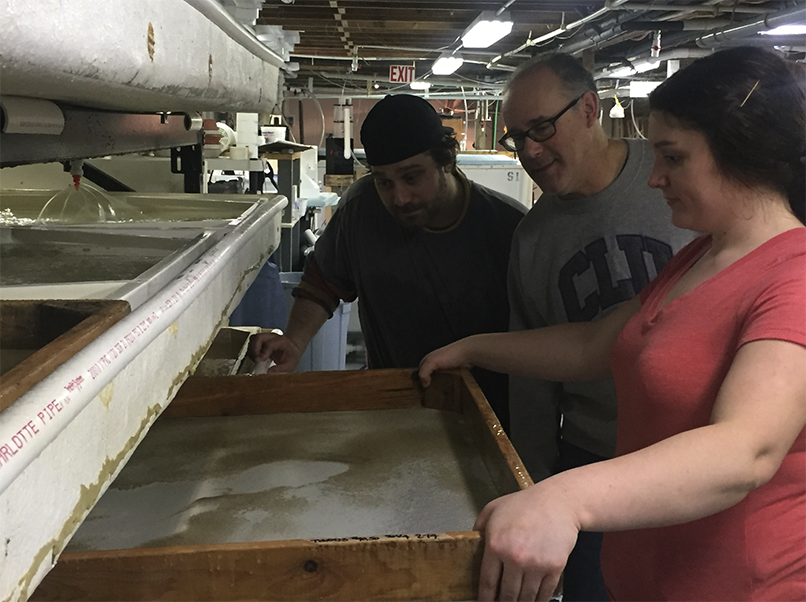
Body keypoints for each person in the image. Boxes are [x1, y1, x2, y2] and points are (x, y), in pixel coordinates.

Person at [419, 45, 806, 602]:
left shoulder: (793, 275)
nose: (656, 178)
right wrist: (473, 348)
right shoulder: (699, 257)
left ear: (737, 154)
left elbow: (745, 449)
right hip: (648, 578)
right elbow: (594, 345)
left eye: (673, 158)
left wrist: (565, 498)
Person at [499, 53, 694, 600]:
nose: (529, 151)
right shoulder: (532, 240)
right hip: (591, 461)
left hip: (691, 455)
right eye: (517, 138)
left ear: (589, 109)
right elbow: (537, 385)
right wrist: (532, 490)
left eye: (541, 129)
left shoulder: (675, 189)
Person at [248, 93, 526, 428]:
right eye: (384, 182)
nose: (399, 198)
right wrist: (293, 341)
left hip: (490, 415)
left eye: (412, 177)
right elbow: (323, 281)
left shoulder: (510, 230)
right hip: (394, 405)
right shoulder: (362, 209)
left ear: (447, 159)